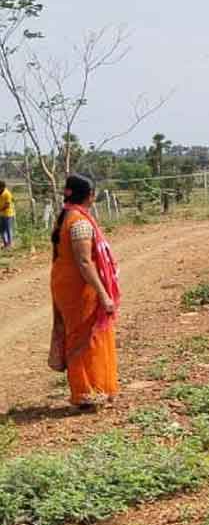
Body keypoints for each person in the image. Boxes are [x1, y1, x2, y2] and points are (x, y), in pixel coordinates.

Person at [48, 174, 120, 410]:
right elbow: (84, 262)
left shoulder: (65, 217)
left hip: (64, 282)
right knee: (87, 336)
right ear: (89, 195)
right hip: (79, 288)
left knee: (78, 334)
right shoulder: (79, 222)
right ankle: (88, 392)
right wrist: (104, 294)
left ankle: (89, 390)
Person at [0, 180, 15, 249]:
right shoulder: (1, 192)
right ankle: (6, 244)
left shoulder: (7, 193)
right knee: (2, 230)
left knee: (8, 229)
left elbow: (7, 205)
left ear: (2, 187)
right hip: (2, 214)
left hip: (8, 214)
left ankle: (10, 244)